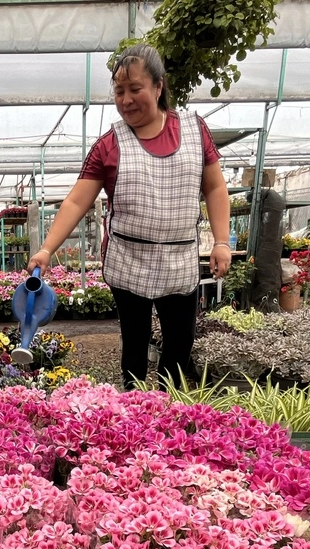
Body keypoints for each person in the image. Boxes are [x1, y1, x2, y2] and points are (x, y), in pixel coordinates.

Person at [27, 43, 231, 390]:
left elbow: (214, 187)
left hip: (178, 260)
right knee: (134, 344)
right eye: (119, 92)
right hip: (129, 260)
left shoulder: (196, 132)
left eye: (135, 89)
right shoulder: (109, 144)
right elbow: (77, 201)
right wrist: (46, 249)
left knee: (179, 347)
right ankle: (133, 412)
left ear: (158, 86)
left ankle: (170, 412)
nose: (126, 100)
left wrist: (222, 241)